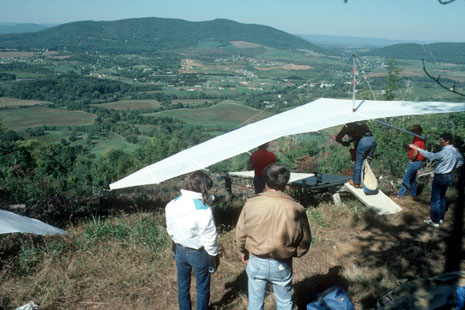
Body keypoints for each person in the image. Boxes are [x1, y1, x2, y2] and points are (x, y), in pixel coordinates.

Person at [235, 163, 312, 310]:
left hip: (256, 261)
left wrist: (243, 252)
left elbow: (240, 233)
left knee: (255, 304)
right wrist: (295, 252)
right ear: (286, 181)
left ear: (265, 180)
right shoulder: (297, 208)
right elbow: (305, 239)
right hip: (282, 263)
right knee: (284, 303)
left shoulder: (251, 203)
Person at [165, 171, 219, 310]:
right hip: (198, 253)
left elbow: (170, 228)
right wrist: (213, 255)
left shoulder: (172, 203)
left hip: (179, 249)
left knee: (182, 286)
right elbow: (209, 237)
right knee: (202, 287)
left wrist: (174, 242)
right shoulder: (204, 210)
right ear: (204, 189)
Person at [409, 133, 464, 227]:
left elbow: (432, 156)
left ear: (447, 141)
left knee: (435, 199)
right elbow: (462, 161)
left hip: (440, 177)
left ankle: (435, 221)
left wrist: (417, 148)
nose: (439, 141)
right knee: (442, 197)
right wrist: (451, 167)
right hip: (447, 176)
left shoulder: (445, 151)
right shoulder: (455, 151)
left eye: (441, 140)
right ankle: (440, 218)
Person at [335, 122, 377, 188]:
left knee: (358, 163)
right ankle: (364, 182)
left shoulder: (347, 126)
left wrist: (344, 143)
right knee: (367, 163)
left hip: (363, 142)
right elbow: (359, 136)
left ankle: (356, 183)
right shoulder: (362, 124)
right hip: (372, 140)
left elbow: (337, 138)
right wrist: (349, 141)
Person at [397, 125, 425, 199]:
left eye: (414, 131)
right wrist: (408, 146)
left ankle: (400, 196)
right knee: (412, 179)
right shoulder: (418, 138)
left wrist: (412, 160)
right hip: (418, 161)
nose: (413, 132)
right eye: (413, 130)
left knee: (406, 178)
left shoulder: (418, 140)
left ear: (418, 131)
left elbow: (415, 152)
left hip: (415, 161)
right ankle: (412, 195)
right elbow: (415, 147)